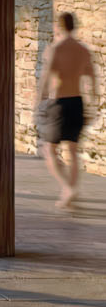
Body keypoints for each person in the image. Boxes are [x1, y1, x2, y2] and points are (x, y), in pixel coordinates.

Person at [37, 12, 97, 209]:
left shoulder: (56, 49)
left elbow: (46, 79)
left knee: (50, 150)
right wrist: (92, 106)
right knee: (72, 151)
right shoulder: (83, 50)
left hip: (59, 104)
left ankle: (67, 188)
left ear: (60, 26)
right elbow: (93, 80)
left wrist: (39, 103)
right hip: (77, 102)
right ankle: (70, 190)